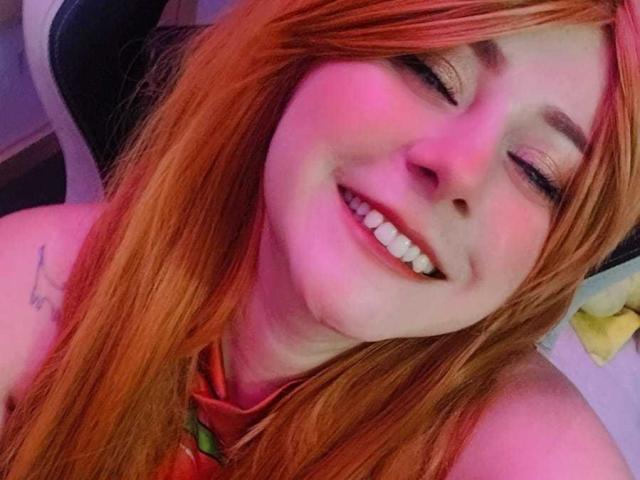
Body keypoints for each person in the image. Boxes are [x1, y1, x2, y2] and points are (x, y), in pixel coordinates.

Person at [0, 0, 638, 478]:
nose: (459, 170)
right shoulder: (33, 288)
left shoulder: (532, 453)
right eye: (431, 72)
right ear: (302, 55)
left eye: (538, 172)